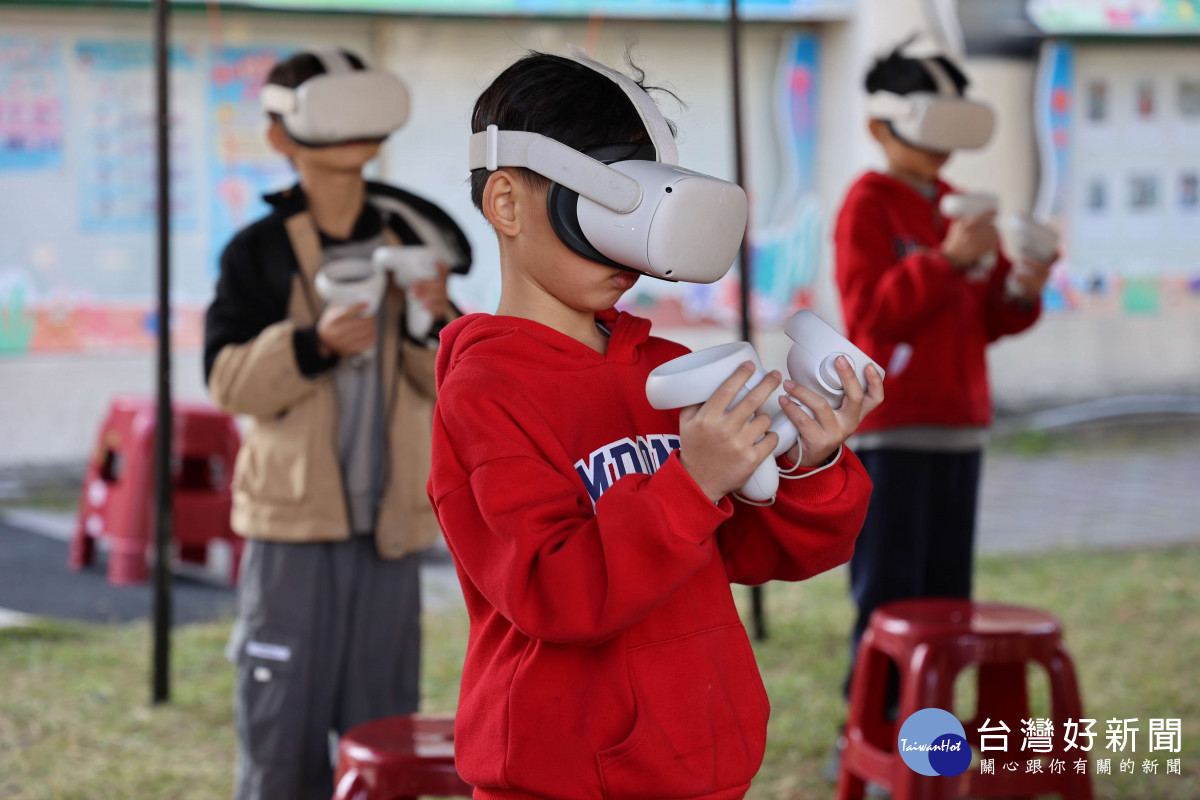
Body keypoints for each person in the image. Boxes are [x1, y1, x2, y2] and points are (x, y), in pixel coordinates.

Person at [427, 49, 884, 800]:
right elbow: (556, 593)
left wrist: (808, 462)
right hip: (564, 780)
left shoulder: (667, 370)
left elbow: (758, 548)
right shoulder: (484, 392)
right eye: (606, 204)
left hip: (699, 763)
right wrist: (691, 480)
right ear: (507, 204)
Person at [203, 49, 471, 800]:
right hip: (293, 524)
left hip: (390, 522)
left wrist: (433, 318)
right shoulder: (254, 254)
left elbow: (449, 382)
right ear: (279, 137)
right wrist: (311, 344)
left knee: (381, 730)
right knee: (279, 722)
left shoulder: (418, 243)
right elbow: (227, 383)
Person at [831, 41, 1055, 735]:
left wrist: (1023, 287)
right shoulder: (866, 205)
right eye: (928, 141)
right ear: (879, 129)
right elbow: (870, 314)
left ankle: (926, 732)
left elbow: (988, 320)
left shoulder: (963, 206)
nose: (941, 160)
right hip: (891, 429)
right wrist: (945, 261)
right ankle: (867, 730)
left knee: (946, 596)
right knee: (888, 594)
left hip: (962, 425)